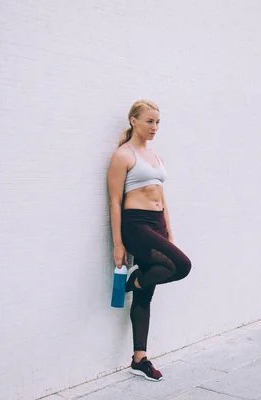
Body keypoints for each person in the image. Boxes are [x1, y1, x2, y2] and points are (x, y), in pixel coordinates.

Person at [107, 100, 192, 382]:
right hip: (136, 225)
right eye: (149, 121)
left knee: (147, 293)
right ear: (134, 121)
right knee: (181, 266)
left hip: (156, 224)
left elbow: (161, 197)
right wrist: (119, 244)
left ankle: (139, 358)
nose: (154, 127)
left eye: (157, 122)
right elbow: (116, 201)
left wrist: (168, 229)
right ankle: (135, 280)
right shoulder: (123, 155)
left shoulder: (156, 157)